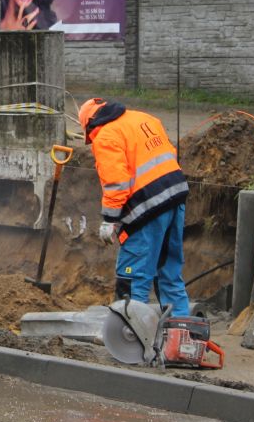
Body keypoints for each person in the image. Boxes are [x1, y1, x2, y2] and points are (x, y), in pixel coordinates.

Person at [78, 97, 191, 316]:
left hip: (146, 211)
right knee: (169, 273)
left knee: (131, 279)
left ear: (90, 123)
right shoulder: (144, 118)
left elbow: (116, 182)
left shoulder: (106, 136)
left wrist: (110, 220)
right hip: (175, 198)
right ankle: (183, 338)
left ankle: (129, 340)